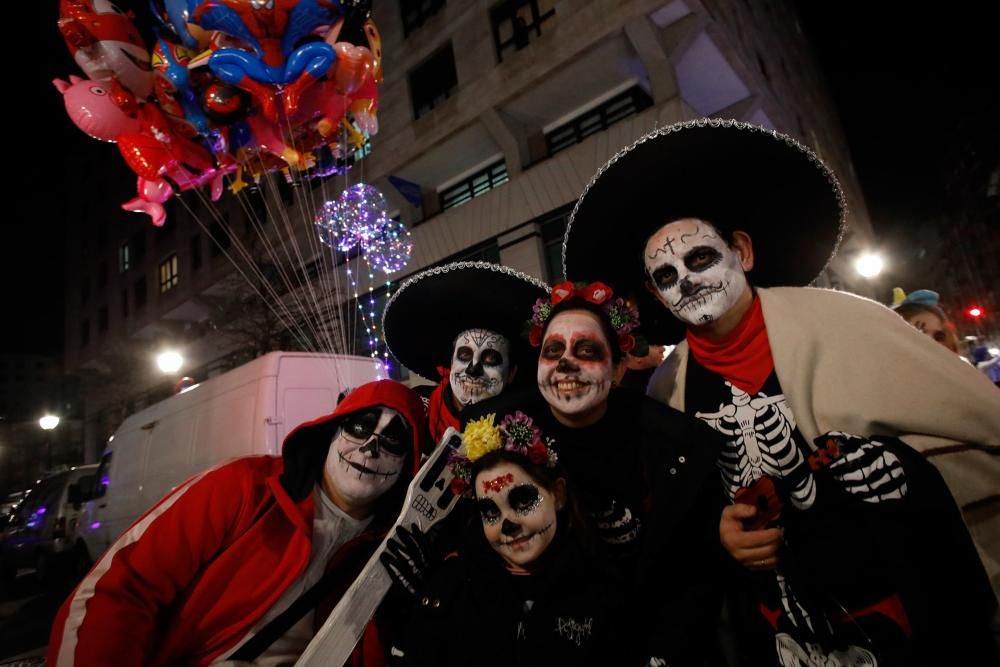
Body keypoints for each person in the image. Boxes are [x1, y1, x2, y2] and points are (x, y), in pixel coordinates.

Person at [561, 118, 1000, 664]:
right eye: (668, 276)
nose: (689, 281)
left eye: (700, 258)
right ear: (656, 294)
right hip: (777, 630)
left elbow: (981, 429)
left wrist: (902, 470)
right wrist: (721, 535)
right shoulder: (666, 388)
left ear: (741, 251)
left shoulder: (846, 322)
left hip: (910, 607)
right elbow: (681, 521)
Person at [48, 380, 428, 667]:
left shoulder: (386, 551)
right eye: (360, 426)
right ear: (331, 431)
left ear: (407, 463)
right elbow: (118, 590)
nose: (370, 448)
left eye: (394, 440)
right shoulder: (243, 488)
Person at [464, 282, 729, 665]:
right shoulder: (497, 430)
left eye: (586, 350)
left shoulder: (673, 443)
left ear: (619, 366)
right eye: (552, 351)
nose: (565, 363)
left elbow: (693, 573)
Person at [395, 411, 623, 666]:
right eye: (490, 511)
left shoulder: (603, 589)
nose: (508, 524)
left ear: (557, 495)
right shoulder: (452, 587)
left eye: (523, 500)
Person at [382, 261, 549, 446]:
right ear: (451, 363)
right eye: (464, 355)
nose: (473, 369)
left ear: (511, 373)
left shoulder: (531, 427)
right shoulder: (419, 415)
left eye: (491, 358)